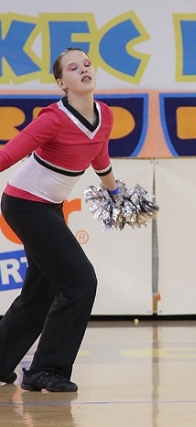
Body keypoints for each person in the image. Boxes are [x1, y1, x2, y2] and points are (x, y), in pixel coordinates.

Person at [0, 47, 120, 392]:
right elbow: (9, 153)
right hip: (25, 205)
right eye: (73, 68)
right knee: (80, 282)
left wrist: (115, 192)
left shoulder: (105, 115)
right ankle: (45, 370)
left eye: (87, 64)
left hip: (50, 207)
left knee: (41, 292)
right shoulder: (52, 119)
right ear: (61, 83)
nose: (83, 70)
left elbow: (99, 154)